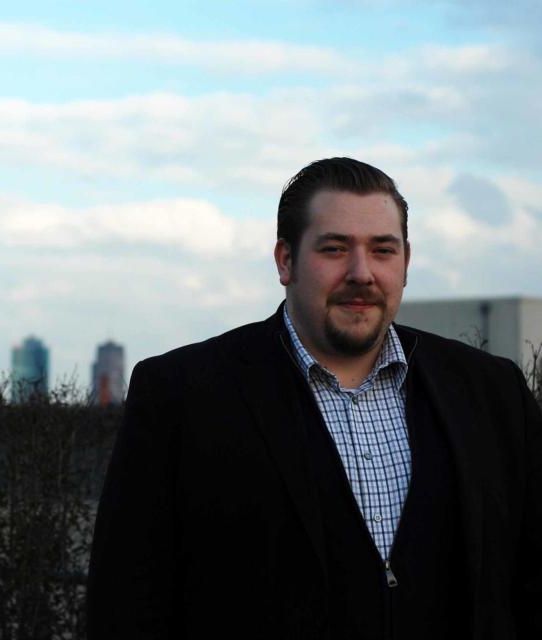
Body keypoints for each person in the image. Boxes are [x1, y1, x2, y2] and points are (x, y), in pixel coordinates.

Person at [87, 157, 542, 639]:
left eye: (382, 250)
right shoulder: (182, 395)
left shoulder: (492, 392)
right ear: (286, 261)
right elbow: (128, 602)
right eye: (334, 249)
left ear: (406, 262)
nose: (361, 273)